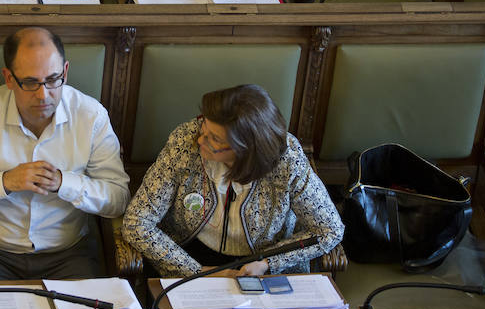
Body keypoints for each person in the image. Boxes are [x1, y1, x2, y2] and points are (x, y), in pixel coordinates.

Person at [0, 27, 130, 279]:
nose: (43, 95)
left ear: (65, 72)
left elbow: (118, 198)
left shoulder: (91, 117)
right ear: (9, 78)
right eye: (31, 82)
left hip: (69, 255)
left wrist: (65, 183)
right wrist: (3, 183)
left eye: (53, 80)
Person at [122, 84, 342, 277]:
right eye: (203, 126)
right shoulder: (185, 142)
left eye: (215, 139)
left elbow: (329, 230)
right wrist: (196, 272)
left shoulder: (288, 160)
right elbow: (137, 222)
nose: (200, 139)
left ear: (246, 150)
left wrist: (269, 263)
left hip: (261, 265)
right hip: (189, 255)